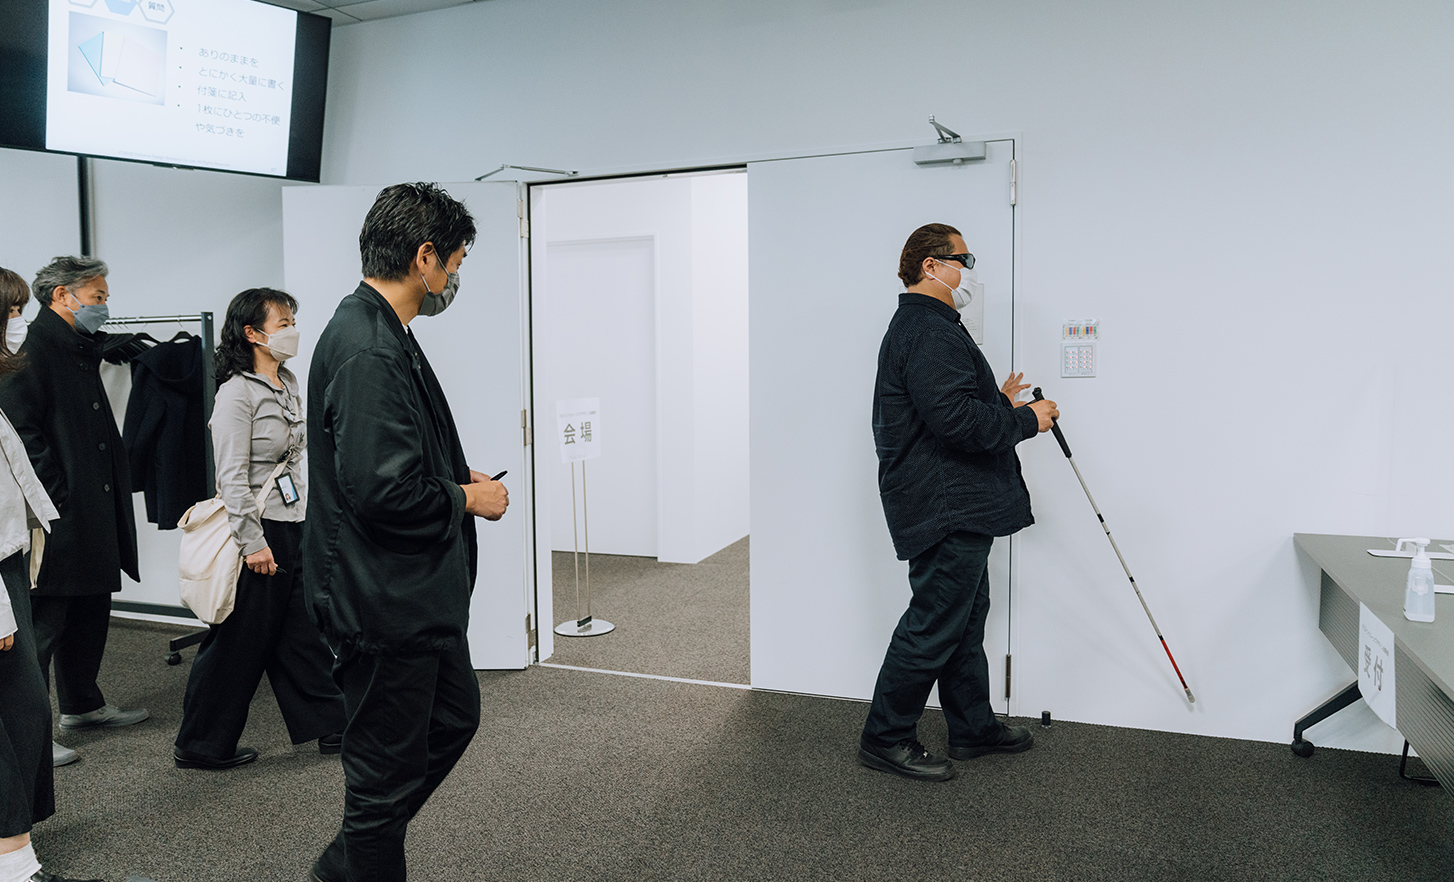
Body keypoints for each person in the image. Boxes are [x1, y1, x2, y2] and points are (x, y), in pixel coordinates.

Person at [304, 183, 509, 882]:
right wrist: (466, 499)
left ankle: (348, 861)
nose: (452, 279)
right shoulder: (367, 346)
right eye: (452, 262)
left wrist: (453, 473)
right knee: (380, 784)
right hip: (381, 601)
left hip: (412, 597)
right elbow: (384, 491)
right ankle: (357, 858)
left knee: (454, 718)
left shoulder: (384, 333)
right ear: (425, 258)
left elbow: (390, 455)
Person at [857, 224, 1060, 782]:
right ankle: (885, 736)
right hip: (945, 505)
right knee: (934, 623)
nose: (967, 270)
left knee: (966, 621)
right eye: (961, 258)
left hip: (957, 502)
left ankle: (971, 727)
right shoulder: (927, 329)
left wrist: (996, 402)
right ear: (931, 266)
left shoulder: (931, 327)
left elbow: (944, 409)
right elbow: (953, 423)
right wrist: (1025, 421)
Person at [172, 287, 346, 770]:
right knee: (237, 640)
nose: (292, 329)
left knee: (299, 630)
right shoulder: (235, 393)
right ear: (252, 333)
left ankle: (333, 723)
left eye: (293, 319)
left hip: (292, 523)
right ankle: (200, 744)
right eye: (283, 321)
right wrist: (253, 543)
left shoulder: (287, 381)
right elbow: (230, 478)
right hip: (257, 532)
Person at [0, 256, 146, 771]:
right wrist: (56, 501)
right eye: (98, 296)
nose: (104, 305)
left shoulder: (78, 346)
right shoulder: (33, 347)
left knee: (91, 606)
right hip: (60, 510)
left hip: (91, 503)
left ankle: (83, 705)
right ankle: (33, 729)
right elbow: (23, 431)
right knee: (47, 621)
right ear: (62, 296)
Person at [0, 264, 96, 882]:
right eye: (9, 313)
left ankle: (15, 852)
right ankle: (14, 863)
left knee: (24, 710)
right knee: (14, 710)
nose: (18, 324)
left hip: (8, 561)